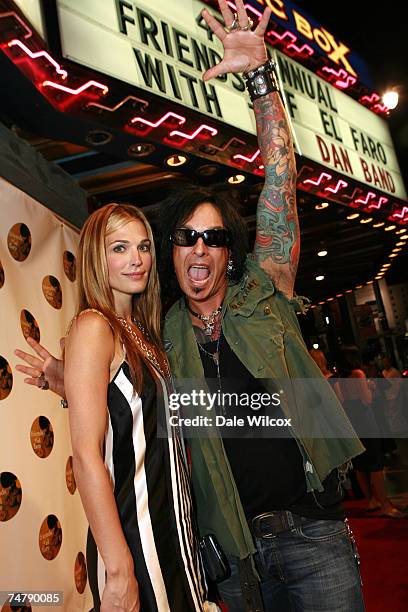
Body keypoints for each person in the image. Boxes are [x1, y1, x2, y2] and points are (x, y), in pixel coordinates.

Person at [16, 1, 365, 609]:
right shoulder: (161, 330)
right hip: (227, 549)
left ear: (231, 251)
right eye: (184, 238)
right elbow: (133, 405)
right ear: (170, 254)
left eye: (214, 237)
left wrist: (262, 81)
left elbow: (280, 181)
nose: (199, 249)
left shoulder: (267, 291)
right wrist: (70, 380)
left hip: (314, 535)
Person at [17, 203, 211, 611]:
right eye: (119, 248)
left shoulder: (141, 331)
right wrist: (120, 570)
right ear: (94, 257)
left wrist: (64, 380)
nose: (136, 260)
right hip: (135, 543)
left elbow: (134, 417)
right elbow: (88, 457)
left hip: (173, 535)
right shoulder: (94, 327)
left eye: (142, 247)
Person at [335, 346, 404, 518]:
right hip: (366, 420)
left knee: (360, 464)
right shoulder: (358, 374)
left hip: (353, 421)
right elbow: (367, 400)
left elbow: (341, 402)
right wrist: (371, 389)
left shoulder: (339, 379)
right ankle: (385, 504)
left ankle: (371, 500)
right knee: (376, 463)